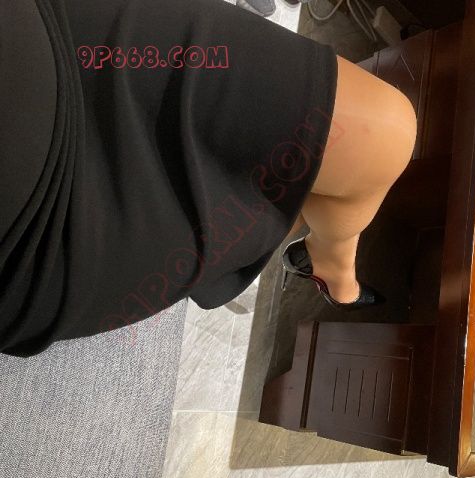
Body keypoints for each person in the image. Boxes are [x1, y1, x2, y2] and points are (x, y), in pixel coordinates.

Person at [0, 0, 417, 357]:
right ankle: (331, 266)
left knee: (378, 133)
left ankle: (327, 259)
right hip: (38, 210)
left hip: (46, 25)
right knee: (365, 142)